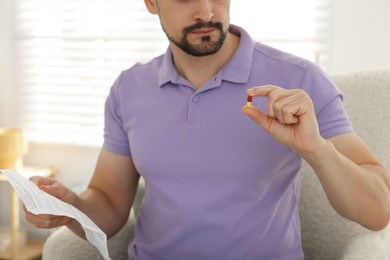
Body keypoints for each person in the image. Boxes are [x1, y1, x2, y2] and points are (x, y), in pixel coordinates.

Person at [24, 0, 390, 259]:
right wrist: (70, 207)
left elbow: (378, 211)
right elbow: (107, 205)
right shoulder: (129, 89)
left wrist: (317, 150)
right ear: (151, 3)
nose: (207, 12)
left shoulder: (300, 80)